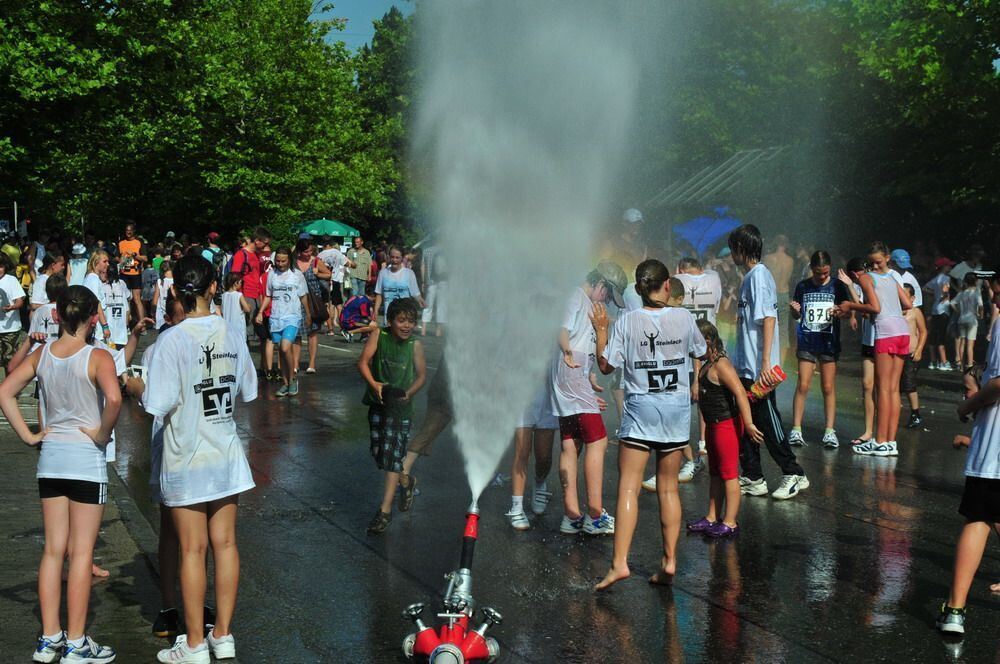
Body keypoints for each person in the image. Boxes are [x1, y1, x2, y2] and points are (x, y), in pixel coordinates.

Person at [0, 285, 122, 664]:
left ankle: (49, 638)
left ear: (57, 316)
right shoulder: (98, 356)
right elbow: (115, 399)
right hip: (85, 461)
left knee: (54, 550)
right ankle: (77, 641)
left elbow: (5, 392)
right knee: (82, 554)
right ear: (93, 316)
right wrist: (101, 434)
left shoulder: (42, 355)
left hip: (51, 459)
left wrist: (30, 436)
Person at [144, 256, 257, 663]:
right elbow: (248, 390)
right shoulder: (230, 332)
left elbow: (156, 403)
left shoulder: (171, 340)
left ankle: (194, 643)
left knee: (192, 549)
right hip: (225, 452)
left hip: (186, 455)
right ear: (214, 288)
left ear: (176, 292)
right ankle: (223, 635)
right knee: (225, 544)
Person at [592, 259, 707, 590]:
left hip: (641, 412)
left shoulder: (627, 321)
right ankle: (669, 560)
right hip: (675, 411)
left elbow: (605, 366)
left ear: (639, 289)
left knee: (629, 485)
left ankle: (619, 564)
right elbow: (700, 349)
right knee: (669, 488)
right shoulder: (684, 317)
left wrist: (601, 331)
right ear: (668, 284)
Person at [726, 225, 808, 499]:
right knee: (746, 419)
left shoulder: (759, 276)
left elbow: (768, 320)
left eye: (733, 249)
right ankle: (753, 476)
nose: (731, 255)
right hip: (747, 365)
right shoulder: (750, 277)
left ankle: (793, 472)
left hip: (758, 367)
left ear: (741, 248)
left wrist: (764, 365)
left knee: (767, 420)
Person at [551, 262, 627, 536]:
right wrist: (568, 353)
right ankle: (595, 516)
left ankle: (571, 515)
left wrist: (589, 377)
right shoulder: (576, 296)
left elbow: (582, 339)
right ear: (601, 285)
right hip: (570, 369)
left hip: (572, 372)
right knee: (598, 439)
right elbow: (562, 329)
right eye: (608, 294)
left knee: (571, 442)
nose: (606, 300)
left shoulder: (586, 301)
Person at [937, 314, 1000, 636]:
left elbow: (999, 382)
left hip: (995, 450)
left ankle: (955, 610)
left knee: (978, 518)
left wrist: (967, 407)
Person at [686, 319, 763, 538]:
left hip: (725, 426)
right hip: (712, 426)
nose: (693, 352)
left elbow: (739, 392)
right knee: (715, 473)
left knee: (729, 475)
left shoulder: (722, 365)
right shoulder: (707, 363)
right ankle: (712, 516)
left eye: (696, 346)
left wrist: (748, 424)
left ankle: (730, 521)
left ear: (708, 342)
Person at [835, 241, 912, 457]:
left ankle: (880, 440)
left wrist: (850, 306)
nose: (875, 266)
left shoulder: (867, 278)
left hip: (886, 332)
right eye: (872, 263)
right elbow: (908, 304)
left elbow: (874, 308)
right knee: (894, 389)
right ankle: (890, 442)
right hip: (902, 331)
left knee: (884, 389)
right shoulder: (892, 277)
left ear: (887, 258)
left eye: (877, 262)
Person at [358, 297, 426, 534]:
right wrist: (374, 384)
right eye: (401, 321)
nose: (407, 326)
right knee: (380, 454)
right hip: (378, 403)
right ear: (390, 321)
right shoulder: (380, 336)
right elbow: (363, 363)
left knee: (391, 458)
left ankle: (384, 511)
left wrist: (409, 393)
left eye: (411, 322)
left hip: (402, 408)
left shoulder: (414, 345)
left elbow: (421, 376)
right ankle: (406, 482)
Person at [787, 251, 852, 448]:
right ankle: (796, 429)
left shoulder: (837, 286)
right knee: (803, 385)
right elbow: (796, 316)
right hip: (807, 339)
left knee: (828, 387)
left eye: (825, 273)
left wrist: (841, 312)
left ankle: (830, 431)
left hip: (828, 341)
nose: (822, 277)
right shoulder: (803, 286)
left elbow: (848, 312)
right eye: (818, 273)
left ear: (830, 269)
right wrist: (794, 310)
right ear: (812, 270)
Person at [256, 247, 311, 397]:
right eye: (278, 261)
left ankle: (293, 380)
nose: (280, 264)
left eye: (283, 261)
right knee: (280, 351)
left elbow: (303, 296)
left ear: (290, 260)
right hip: (276, 317)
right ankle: (285, 383)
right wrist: (260, 312)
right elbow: (268, 295)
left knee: (286, 347)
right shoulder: (271, 274)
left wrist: (308, 314)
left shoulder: (296, 275)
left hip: (292, 316)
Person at [506, 383, 558, 530]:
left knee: (544, 456)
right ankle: (516, 508)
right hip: (521, 393)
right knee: (522, 451)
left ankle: (540, 483)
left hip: (548, 398)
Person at [293, 238, 329, 375]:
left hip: (313, 300)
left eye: (310, 251)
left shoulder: (315, 261)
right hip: (297, 300)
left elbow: (328, 274)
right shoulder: (294, 263)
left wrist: (318, 273)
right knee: (296, 334)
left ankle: (312, 363)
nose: (309, 254)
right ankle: (295, 364)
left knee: (312, 332)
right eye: (306, 251)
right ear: (299, 251)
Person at [762, 234, 795, 364]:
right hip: (784, 294)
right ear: (786, 245)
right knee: (783, 331)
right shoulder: (790, 260)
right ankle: (779, 365)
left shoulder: (768, 258)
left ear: (775, 244)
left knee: (768, 326)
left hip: (771, 295)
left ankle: (768, 360)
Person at [901, 283, 928, 428]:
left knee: (909, 384)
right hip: (896, 353)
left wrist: (919, 350)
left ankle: (915, 413)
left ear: (912, 298)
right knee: (896, 384)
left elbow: (923, 331)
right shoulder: (896, 311)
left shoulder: (915, 312)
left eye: (905, 296)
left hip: (910, 353)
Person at [374, 246, 424, 323]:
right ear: (388, 257)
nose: (394, 260)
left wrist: (420, 300)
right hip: (388, 317)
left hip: (404, 316)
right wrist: (375, 310)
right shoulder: (383, 273)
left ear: (402, 258)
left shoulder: (409, 273)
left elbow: (415, 293)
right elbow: (379, 294)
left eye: (397, 258)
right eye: (392, 257)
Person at [924, 257, 956, 370]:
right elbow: (945, 291)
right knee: (942, 336)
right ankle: (943, 362)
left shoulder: (936, 279)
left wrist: (935, 294)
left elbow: (924, 288)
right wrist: (944, 296)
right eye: (948, 265)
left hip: (935, 309)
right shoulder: (946, 278)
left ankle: (933, 361)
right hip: (943, 310)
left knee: (933, 335)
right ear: (944, 267)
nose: (950, 267)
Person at [318, 237, 353, 333]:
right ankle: (344, 326)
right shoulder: (337, 253)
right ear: (331, 244)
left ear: (325, 245)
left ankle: (330, 329)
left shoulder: (320, 254)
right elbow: (346, 263)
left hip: (324, 280)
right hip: (336, 280)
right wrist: (353, 264)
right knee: (338, 305)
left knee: (326, 304)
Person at [0, 253, 27, 376]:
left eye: (1, 266)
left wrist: (12, 307)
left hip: (10, 330)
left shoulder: (11, 280)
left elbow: (20, 301)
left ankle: (10, 390)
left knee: (10, 363)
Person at [952, 272, 983, 372]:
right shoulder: (976, 291)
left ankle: (961, 365)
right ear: (976, 281)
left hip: (962, 318)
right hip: (972, 319)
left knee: (962, 342)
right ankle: (969, 365)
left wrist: (958, 311)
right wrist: (980, 315)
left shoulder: (962, 292)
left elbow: (952, 303)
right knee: (970, 345)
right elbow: (981, 305)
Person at [118, 222, 147, 325]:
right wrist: (121, 259)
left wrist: (134, 255)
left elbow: (145, 258)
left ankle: (142, 324)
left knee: (136, 299)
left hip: (135, 273)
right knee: (126, 299)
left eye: (130, 230)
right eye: (126, 230)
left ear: (134, 231)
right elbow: (117, 257)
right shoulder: (121, 243)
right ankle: (127, 325)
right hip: (123, 272)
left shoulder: (139, 242)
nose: (128, 232)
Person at [220, 273, 250, 339]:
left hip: (227, 328)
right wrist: (248, 305)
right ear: (236, 283)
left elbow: (221, 311)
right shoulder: (239, 295)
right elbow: (247, 309)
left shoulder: (224, 295)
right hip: (238, 328)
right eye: (240, 282)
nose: (241, 284)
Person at [152, 261, 174, 331]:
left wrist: (153, 313)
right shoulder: (176, 281)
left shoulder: (159, 281)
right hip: (174, 313)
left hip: (162, 315)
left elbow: (155, 301)